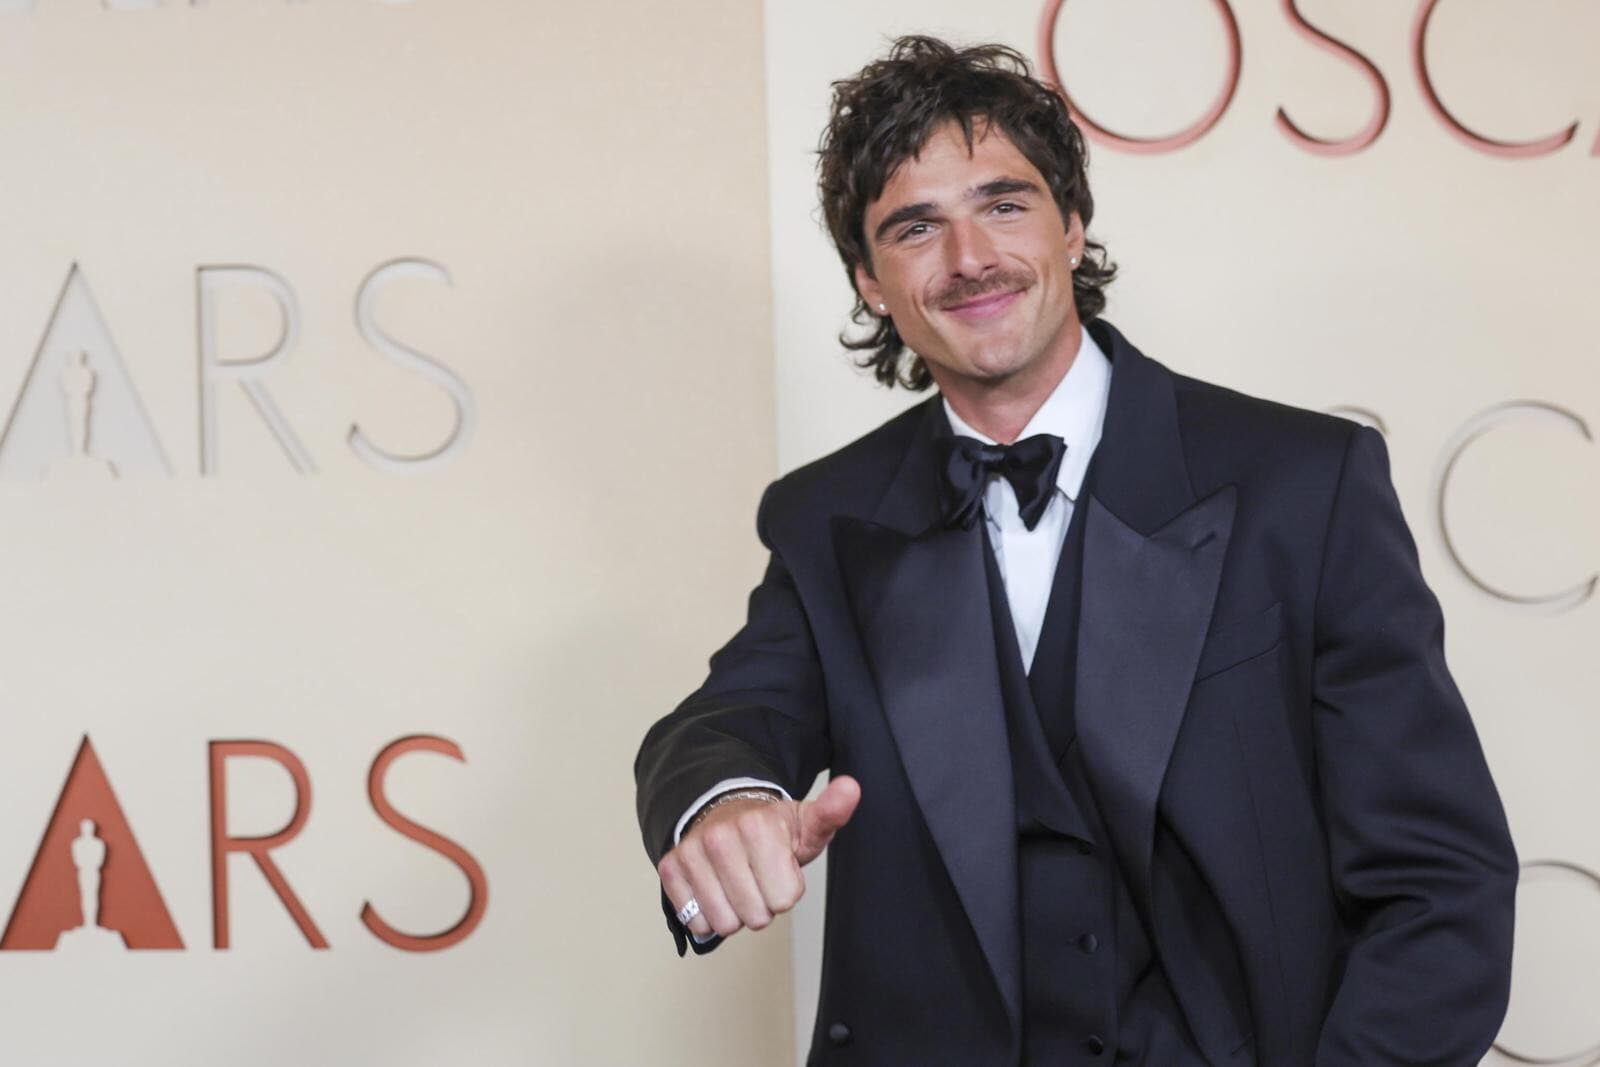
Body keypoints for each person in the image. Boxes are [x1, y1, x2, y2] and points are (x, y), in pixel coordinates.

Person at [634, 35, 1516, 1066]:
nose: (970, 258)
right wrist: (729, 800)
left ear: (1071, 223)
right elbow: (727, 721)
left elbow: (1439, 880)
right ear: (870, 280)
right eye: (916, 227)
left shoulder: (1302, 484)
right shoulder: (826, 516)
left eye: (1004, 204)